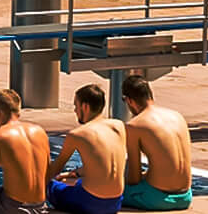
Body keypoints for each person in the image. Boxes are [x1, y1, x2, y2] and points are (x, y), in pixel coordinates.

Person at [46, 83, 128, 214]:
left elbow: (55, 169)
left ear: (85, 106)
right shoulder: (119, 126)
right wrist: (72, 174)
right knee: (70, 180)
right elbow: (104, 164)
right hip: (115, 202)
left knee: (50, 186)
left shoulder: (78, 134)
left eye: (75, 106)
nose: (75, 110)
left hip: (90, 203)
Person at [121, 75, 193, 211]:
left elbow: (134, 178)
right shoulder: (177, 116)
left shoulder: (134, 125)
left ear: (129, 101)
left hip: (157, 198)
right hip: (185, 196)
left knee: (107, 192)